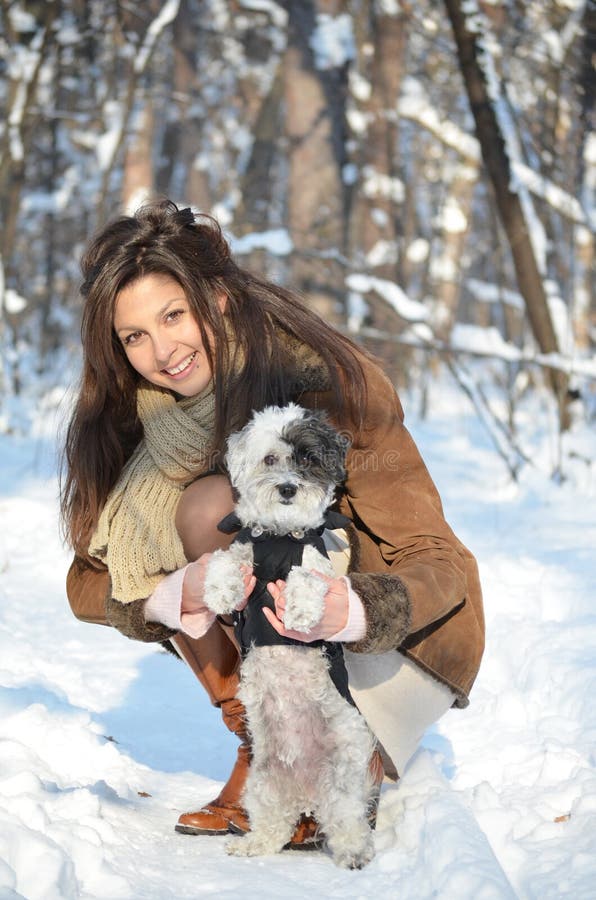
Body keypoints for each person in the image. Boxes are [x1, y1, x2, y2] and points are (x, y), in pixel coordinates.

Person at [61, 199, 484, 845]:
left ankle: (341, 755)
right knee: (187, 524)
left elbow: (440, 559)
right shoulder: (140, 420)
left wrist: (355, 607)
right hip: (274, 669)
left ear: (219, 299)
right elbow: (86, 582)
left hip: (387, 649)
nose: (162, 351)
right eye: (134, 336)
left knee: (213, 507)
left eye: (174, 315)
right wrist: (167, 595)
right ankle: (264, 747)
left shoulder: (327, 386)